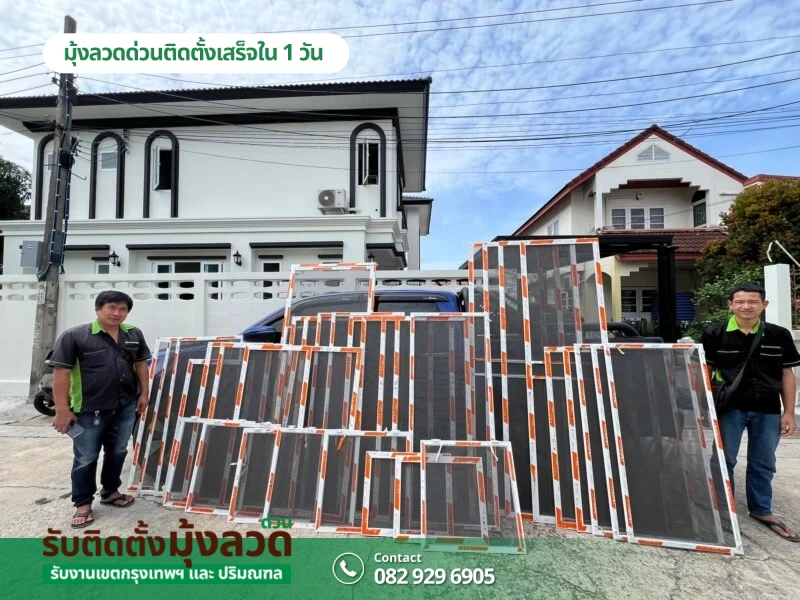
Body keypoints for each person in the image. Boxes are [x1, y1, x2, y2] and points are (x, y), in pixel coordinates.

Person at [701, 283, 800, 542]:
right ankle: (724, 508)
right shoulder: (714, 334)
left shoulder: (779, 335)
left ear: (764, 305)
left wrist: (789, 412)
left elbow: (787, 374)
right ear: (730, 305)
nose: (746, 306)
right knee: (724, 459)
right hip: (729, 409)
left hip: (767, 408)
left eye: (753, 301)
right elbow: (703, 373)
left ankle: (761, 509)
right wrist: (703, 407)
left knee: (764, 461)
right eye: (740, 301)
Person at [49, 290, 151, 528]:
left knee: (118, 451)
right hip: (88, 409)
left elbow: (141, 365)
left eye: (123, 309)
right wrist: (62, 410)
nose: (117, 313)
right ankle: (83, 503)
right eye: (111, 307)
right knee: (86, 457)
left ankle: (111, 491)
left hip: (125, 406)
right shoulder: (74, 336)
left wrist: (144, 394)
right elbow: (61, 373)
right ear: (98, 309)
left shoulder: (133, 334)